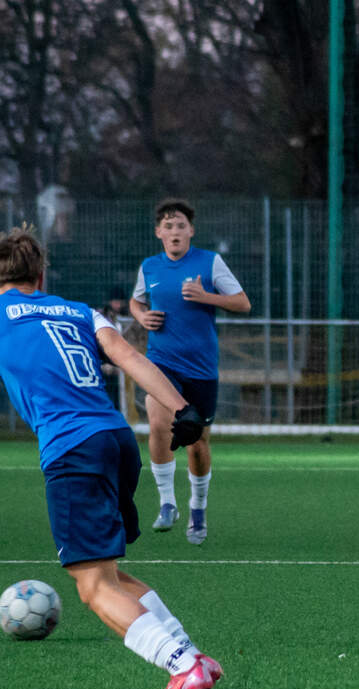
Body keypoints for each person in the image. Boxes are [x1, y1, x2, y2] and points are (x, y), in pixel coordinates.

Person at [0, 226, 223, 689]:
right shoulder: (79, 311)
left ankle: (182, 664)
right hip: (117, 441)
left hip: (73, 449)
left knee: (93, 587)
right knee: (107, 574)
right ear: (41, 276)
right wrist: (184, 409)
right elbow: (129, 357)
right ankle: (193, 655)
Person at [129, 198, 251, 546]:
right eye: (168, 226)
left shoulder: (210, 263)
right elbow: (137, 300)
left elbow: (243, 303)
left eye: (181, 225)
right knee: (157, 423)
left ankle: (197, 508)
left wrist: (205, 296)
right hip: (161, 362)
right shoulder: (150, 267)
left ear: (191, 231)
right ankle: (167, 502)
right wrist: (141, 316)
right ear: (158, 232)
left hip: (201, 368)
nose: (175, 231)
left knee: (197, 443)